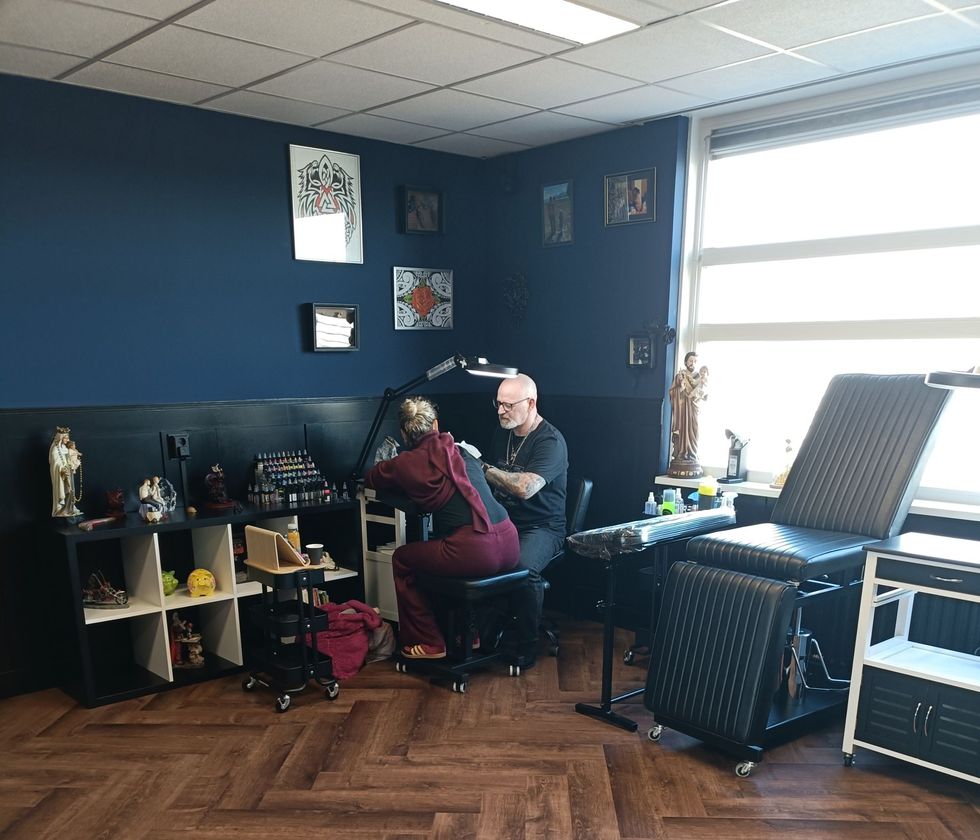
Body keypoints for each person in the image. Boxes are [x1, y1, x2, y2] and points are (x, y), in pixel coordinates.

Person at [365, 397, 520, 660]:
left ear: (404, 433)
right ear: (435, 425)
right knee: (442, 548)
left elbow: (373, 477)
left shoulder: (406, 463)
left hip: (475, 550)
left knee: (402, 559)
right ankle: (468, 633)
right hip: (510, 541)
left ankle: (429, 641)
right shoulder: (462, 451)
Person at [483, 373, 568, 665]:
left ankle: (526, 645)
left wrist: (483, 469)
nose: (500, 411)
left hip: (543, 527)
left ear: (531, 403)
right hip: (506, 523)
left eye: (508, 405)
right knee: (471, 555)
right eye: (498, 403)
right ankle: (484, 632)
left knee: (523, 569)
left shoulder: (550, 441)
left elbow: (525, 488)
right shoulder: (502, 433)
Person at [667, 351, 709, 477]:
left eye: (695, 361)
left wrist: (701, 393)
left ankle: (692, 453)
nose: (693, 363)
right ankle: (682, 453)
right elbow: (672, 392)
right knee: (682, 429)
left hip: (693, 408)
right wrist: (680, 387)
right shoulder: (680, 375)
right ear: (686, 362)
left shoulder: (698, 377)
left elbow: (701, 392)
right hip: (682, 409)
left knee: (694, 430)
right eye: (691, 361)